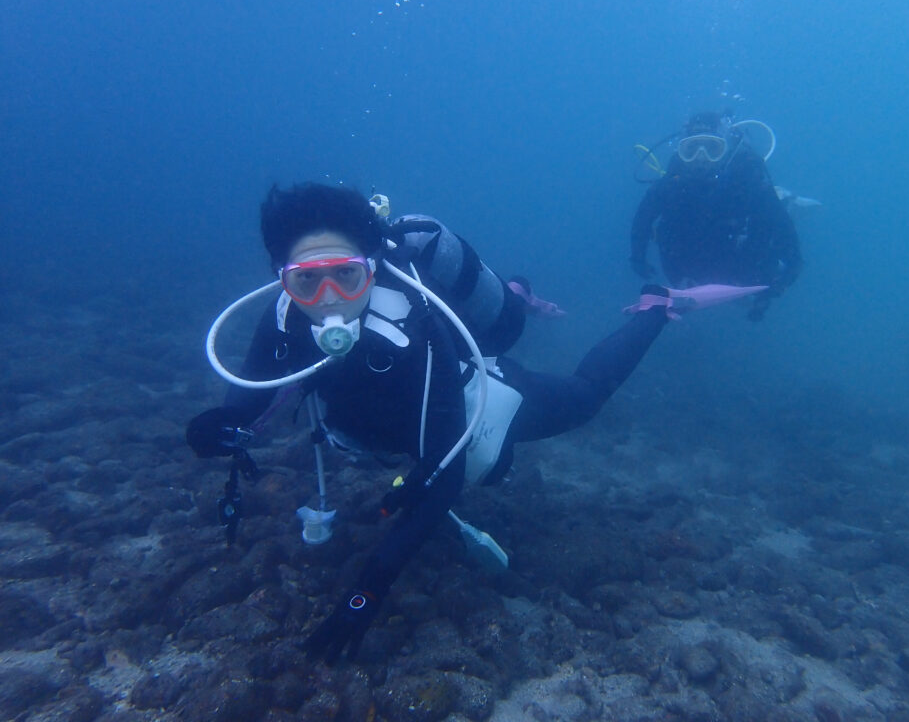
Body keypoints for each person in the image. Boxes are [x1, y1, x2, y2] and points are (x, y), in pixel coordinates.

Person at [186, 182, 671, 663]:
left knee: (584, 397)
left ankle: (657, 309)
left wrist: (368, 591)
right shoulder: (284, 317)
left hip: (461, 392)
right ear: (283, 280)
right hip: (382, 426)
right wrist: (215, 429)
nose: (329, 297)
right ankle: (517, 292)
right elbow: (247, 397)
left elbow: (447, 473)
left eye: (348, 276)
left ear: (372, 271)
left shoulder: (415, 330)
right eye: (307, 280)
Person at [630, 111, 803, 321]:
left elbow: (779, 223)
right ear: (681, 152)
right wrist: (637, 256)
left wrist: (791, 267)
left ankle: (787, 199)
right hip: (697, 254)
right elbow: (643, 218)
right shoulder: (669, 185)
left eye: (713, 149)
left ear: (725, 151)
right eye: (691, 150)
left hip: (734, 251)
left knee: (752, 281)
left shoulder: (745, 183)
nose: (701, 159)